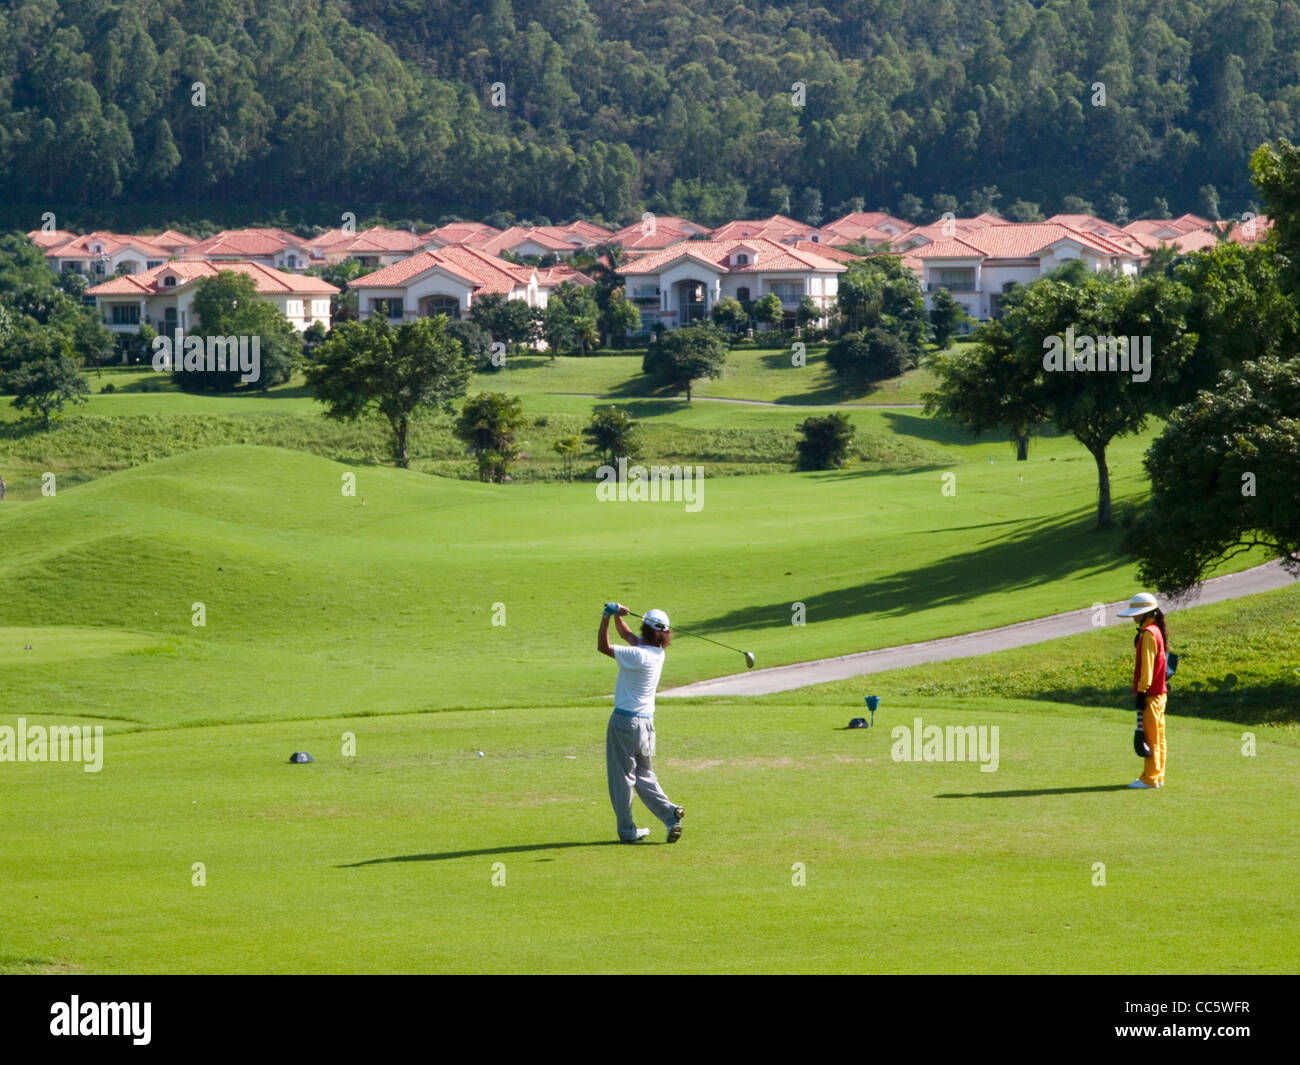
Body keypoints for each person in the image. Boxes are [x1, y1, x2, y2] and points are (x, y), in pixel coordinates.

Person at [597, 602, 684, 843]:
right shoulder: (656, 653)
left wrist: (605, 617)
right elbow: (626, 635)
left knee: (621, 779)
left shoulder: (638, 655)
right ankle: (670, 814)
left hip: (625, 723)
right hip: (646, 725)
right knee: (644, 775)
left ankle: (627, 831)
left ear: (645, 629)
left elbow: (603, 647)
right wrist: (617, 617)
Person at [1118, 592, 1169, 789]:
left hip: (1150, 694)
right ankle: (1158, 775)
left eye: (1135, 613)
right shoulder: (1154, 630)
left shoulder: (1148, 634)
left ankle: (1150, 778)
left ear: (1144, 613)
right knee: (1158, 736)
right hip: (1158, 694)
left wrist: (1141, 692)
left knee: (1151, 737)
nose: (1133, 616)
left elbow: (1147, 669)